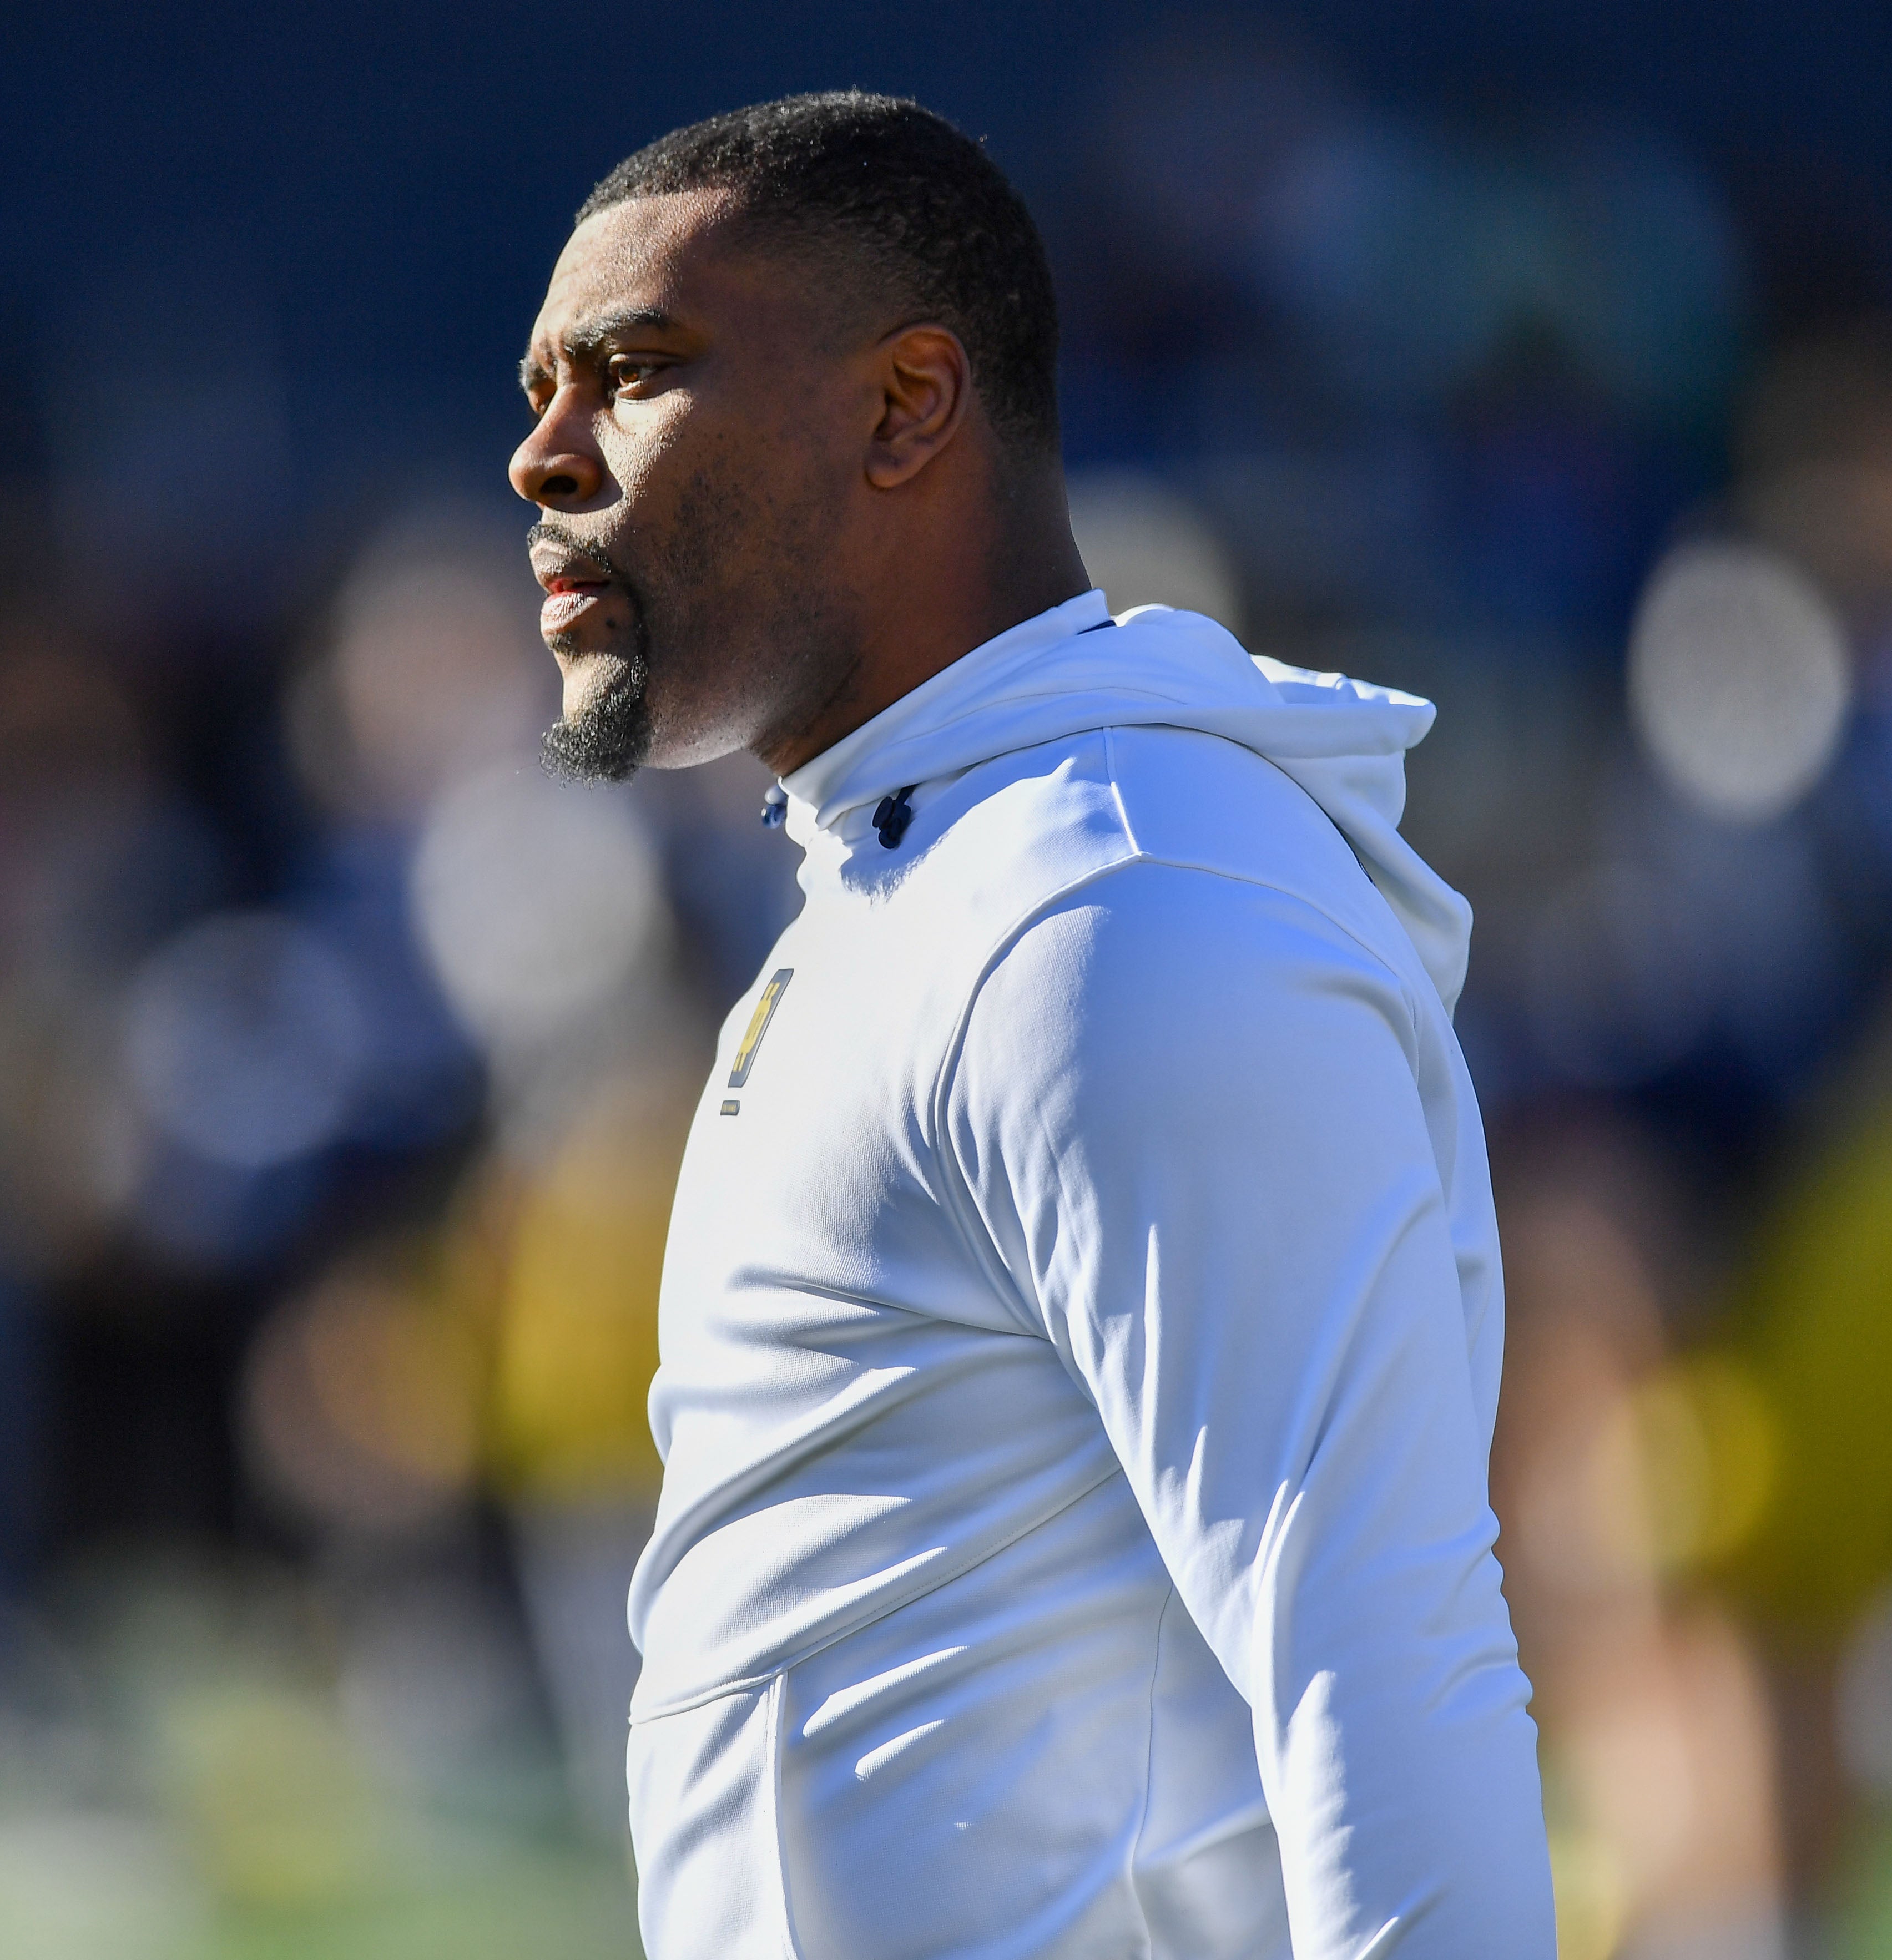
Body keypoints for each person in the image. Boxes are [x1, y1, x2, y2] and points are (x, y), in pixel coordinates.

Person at [508, 93, 1555, 1959]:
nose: (543, 458)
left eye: (632, 372)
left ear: (907, 407)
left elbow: (1378, 1653)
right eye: (536, 390)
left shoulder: (1113, 900)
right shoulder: (926, 866)